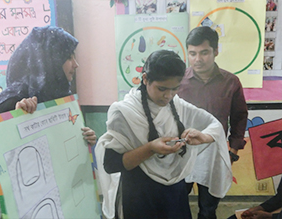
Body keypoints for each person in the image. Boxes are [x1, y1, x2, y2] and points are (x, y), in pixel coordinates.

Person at [95, 50, 232, 219]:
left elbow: (214, 125)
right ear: (145, 79)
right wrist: (151, 148)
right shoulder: (123, 112)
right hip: (139, 197)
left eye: (175, 88)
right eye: (162, 89)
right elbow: (111, 164)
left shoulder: (177, 104)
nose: (168, 95)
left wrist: (203, 137)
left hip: (174, 195)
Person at [0, 26, 96, 193]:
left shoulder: (61, 99)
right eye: (68, 57)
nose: (76, 64)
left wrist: (83, 140)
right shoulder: (11, 101)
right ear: (50, 60)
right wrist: (16, 122)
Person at [177, 26, 248, 219]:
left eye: (204, 53)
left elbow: (240, 117)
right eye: (192, 53)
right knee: (176, 205)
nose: (197, 59)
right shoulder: (177, 82)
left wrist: (233, 151)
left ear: (216, 51)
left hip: (213, 153)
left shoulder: (231, 82)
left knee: (208, 210)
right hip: (182, 153)